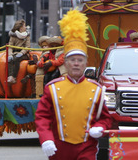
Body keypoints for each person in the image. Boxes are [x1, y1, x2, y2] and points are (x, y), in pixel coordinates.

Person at [35, 10, 112, 160]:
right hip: (59, 147)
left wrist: (100, 127)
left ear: (86, 64)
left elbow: (106, 118)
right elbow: (42, 117)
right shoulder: (52, 88)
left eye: (80, 60)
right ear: (65, 63)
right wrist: (46, 139)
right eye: (72, 60)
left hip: (86, 147)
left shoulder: (96, 89)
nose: (76, 64)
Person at [6, 20, 30, 85]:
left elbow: (27, 47)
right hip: (14, 53)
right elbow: (10, 46)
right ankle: (10, 76)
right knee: (10, 60)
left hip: (24, 54)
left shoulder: (27, 35)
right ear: (20, 28)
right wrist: (10, 54)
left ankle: (14, 77)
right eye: (24, 26)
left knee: (16, 59)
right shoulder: (13, 35)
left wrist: (22, 53)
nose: (26, 27)